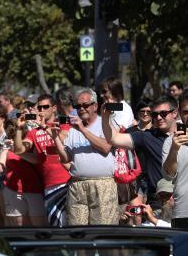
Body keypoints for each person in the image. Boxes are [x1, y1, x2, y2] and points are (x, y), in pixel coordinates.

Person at [51, 88, 118, 225]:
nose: (81, 109)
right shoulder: (73, 128)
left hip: (102, 185)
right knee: (77, 232)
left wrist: (82, 129)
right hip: (77, 185)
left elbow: (106, 147)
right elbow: (65, 158)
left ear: (95, 106)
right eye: (78, 106)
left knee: (102, 231)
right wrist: (56, 138)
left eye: (85, 105)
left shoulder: (104, 123)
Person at [104, 96, 179, 205]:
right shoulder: (147, 136)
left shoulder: (185, 135)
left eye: (163, 113)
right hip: (158, 202)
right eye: (154, 115)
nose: (158, 118)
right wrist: (106, 116)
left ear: (175, 113)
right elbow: (113, 139)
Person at [14, 94, 71, 226]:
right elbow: (20, 150)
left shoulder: (63, 123)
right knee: (56, 226)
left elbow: (64, 140)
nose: (41, 110)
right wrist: (18, 128)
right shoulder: (33, 132)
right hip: (49, 185)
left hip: (68, 181)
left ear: (54, 108)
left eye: (45, 107)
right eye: (39, 107)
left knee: (72, 224)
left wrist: (46, 127)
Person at [0, 121, 45, 226]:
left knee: (39, 224)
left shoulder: (29, 144)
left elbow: (37, 160)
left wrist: (18, 150)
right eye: (12, 136)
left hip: (34, 188)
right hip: (12, 189)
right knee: (19, 224)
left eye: (16, 136)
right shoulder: (7, 149)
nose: (14, 139)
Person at [162, 94, 188, 228]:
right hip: (182, 212)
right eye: (186, 112)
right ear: (179, 113)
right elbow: (169, 175)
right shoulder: (170, 142)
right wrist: (174, 149)